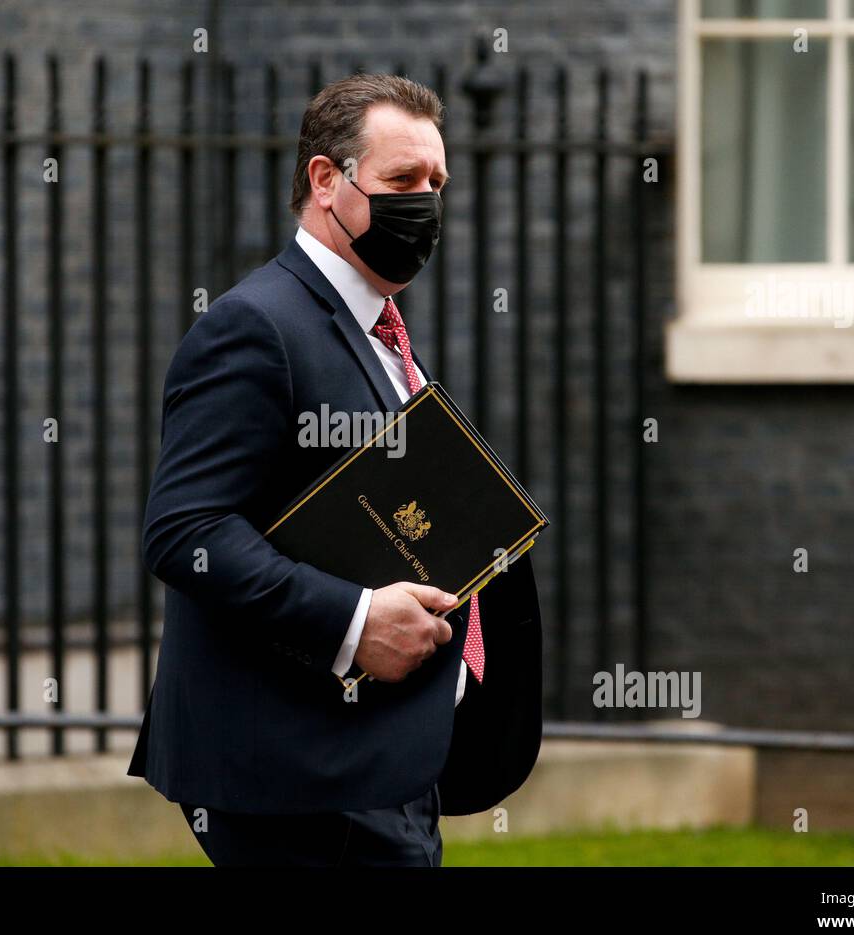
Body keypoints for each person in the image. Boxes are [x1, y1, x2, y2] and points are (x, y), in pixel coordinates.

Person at [127, 73, 543, 866]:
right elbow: (186, 531)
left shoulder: (380, 332)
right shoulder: (254, 326)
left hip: (379, 758)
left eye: (435, 184)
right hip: (298, 771)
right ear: (326, 181)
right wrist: (356, 621)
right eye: (400, 182)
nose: (424, 203)